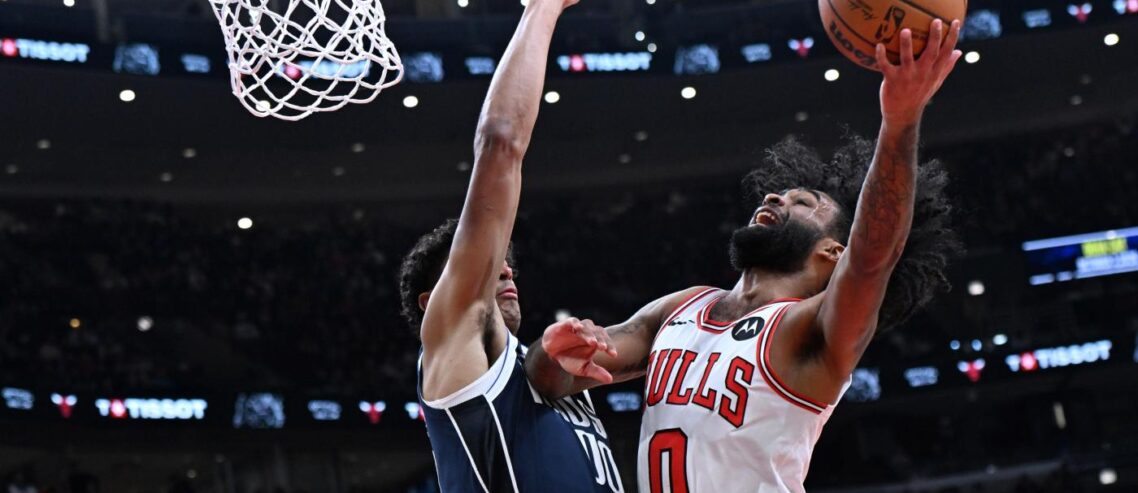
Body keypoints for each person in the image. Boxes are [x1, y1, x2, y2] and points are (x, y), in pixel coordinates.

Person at [525, 20, 963, 492]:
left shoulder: (813, 330)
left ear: (834, 251)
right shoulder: (682, 307)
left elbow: (874, 254)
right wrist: (552, 352)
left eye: (803, 202)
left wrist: (900, 121)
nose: (775, 198)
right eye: (778, 194)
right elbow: (552, 378)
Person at [397, 0, 623, 491]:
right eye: (491, 265)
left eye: (509, 265)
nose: (506, 271)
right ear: (434, 302)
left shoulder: (552, 367)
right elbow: (501, 143)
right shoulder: (457, 340)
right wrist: (543, 8)